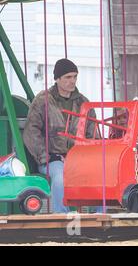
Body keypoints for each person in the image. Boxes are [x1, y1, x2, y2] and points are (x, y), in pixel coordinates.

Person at [23, 58, 95, 213]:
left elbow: (91, 133)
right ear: (57, 79)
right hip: (52, 159)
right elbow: (31, 132)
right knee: (60, 177)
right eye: (68, 77)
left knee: (100, 175)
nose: (72, 81)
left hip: (78, 158)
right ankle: (62, 216)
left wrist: (86, 157)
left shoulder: (84, 102)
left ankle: (100, 216)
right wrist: (46, 157)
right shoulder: (43, 100)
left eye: (75, 76)